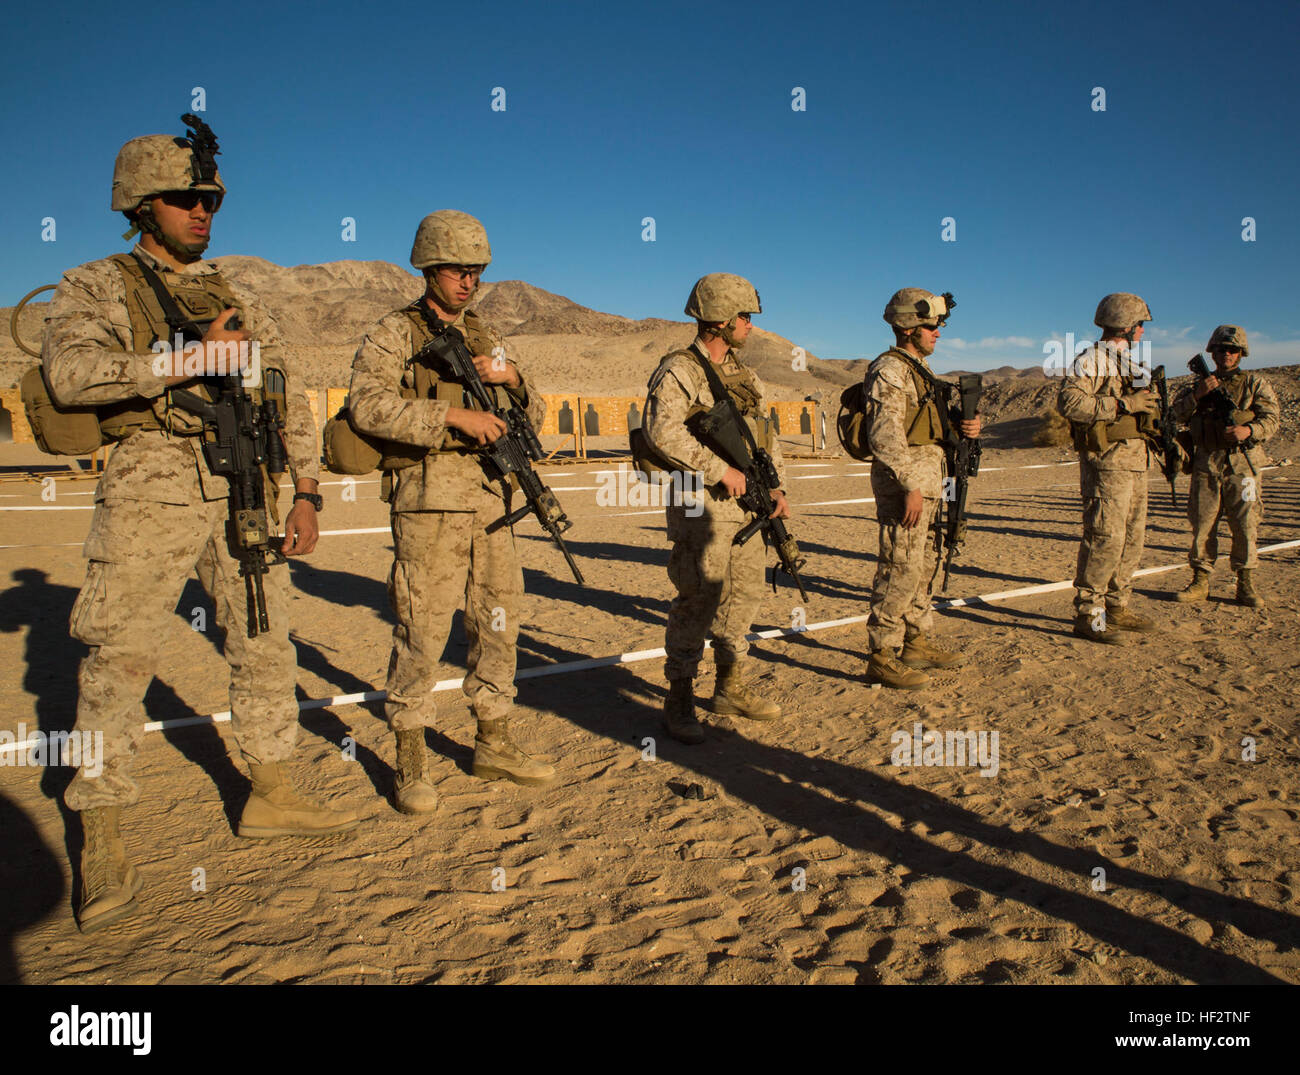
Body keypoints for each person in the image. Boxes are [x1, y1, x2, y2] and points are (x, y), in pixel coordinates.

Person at [42, 120, 356, 934]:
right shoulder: (97, 282)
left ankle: (272, 788)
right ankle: (102, 828)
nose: (201, 210)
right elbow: (71, 376)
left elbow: (283, 390)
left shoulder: (236, 296)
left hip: (243, 485)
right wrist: (184, 361)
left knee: (264, 638)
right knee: (120, 652)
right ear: (140, 205)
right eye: (185, 198)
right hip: (150, 483)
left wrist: (307, 490)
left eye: (210, 198)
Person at [347, 210, 554, 813]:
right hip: (428, 501)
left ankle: (493, 741)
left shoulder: (488, 339)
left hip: (491, 503)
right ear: (428, 268)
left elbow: (534, 416)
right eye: (457, 270)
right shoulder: (394, 334)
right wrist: (452, 418)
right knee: (422, 626)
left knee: (497, 622)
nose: (468, 282)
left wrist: (514, 380)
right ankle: (411, 761)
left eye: (477, 272)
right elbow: (366, 407)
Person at [641, 273, 790, 744]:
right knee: (698, 599)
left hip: (748, 505)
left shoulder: (747, 375)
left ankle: (729, 686)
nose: (750, 325)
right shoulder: (680, 369)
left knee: (744, 595)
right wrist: (717, 471)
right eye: (744, 317)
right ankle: (680, 699)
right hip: (702, 505)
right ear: (720, 320)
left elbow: (765, 436)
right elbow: (661, 432)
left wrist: (777, 488)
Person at [863, 288, 980, 689]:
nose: (938, 333)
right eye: (932, 325)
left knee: (925, 565)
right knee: (899, 568)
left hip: (933, 485)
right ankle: (882, 654)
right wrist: (910, 484)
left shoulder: (920, 371)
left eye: (939, 325)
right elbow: (884, 436)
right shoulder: (889, 371)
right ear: (909, 326)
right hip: (906, 487)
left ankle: (915, 640)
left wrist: (968, 428)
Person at [1057, 292, 1159, 644]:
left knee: (1132, 538)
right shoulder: (1092, 360)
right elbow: (1070, 402)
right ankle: (1089, 613)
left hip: (1134, 463)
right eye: (1140, 324)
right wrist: (1123, 404)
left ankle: (1116, 604)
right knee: (1104, 538)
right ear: (1126, 326)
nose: (1143, 331)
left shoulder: (1132, 363)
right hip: (1107, 465)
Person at [1170, 325, 1279, 607]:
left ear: (1241, 353)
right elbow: (1173, 416)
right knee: (1203, 523)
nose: (1226, 354)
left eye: (1232, 350)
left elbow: (1271, 420)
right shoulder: (1197, 385)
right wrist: (1197, 396)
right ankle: (1200, 581)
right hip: (1207, 463)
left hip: (1243, 466)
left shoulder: (1256, 384)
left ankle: (1245, 584)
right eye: (1221, 349)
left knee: (1245, 524)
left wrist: (1249, 431)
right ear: (1212, 352)